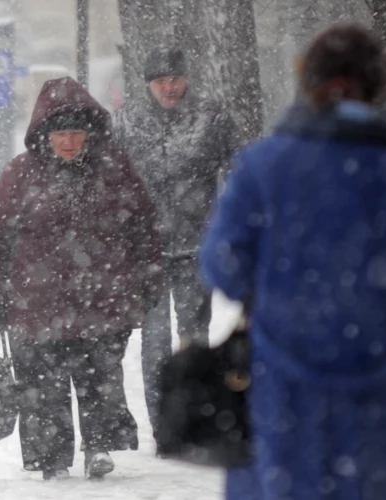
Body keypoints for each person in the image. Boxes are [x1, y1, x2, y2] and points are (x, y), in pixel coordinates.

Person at [199, 24, 386, 499]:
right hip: (374, 386)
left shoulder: (261, 165)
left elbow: (221, 266)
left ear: (307, 83)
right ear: (376, 89)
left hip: (278, 379)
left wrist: (273, 286)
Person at [0, 77, 161, 480]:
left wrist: (149, 277)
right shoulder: (21, 174)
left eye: (77, 132)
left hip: (103, 297)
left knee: (100, 376)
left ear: (90, 133)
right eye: (61, 133)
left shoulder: (114, 171)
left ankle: (98, 444)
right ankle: (49, 457)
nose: (69, 142)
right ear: (45, 134)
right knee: (42, 385)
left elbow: (144, 226)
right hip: (36, 302)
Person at [112, 44, 241, 447]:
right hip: (145, 250)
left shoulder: (212, 117)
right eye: (160, 81)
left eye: (175, 78)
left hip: (196, 246)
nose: (169, 87)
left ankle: (193, 422)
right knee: (153, 342)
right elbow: (108, 180)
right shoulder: (126, 122)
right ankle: (163, 427)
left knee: (194, 340)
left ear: (186, 78)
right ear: (147, 84)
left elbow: (239, 169)